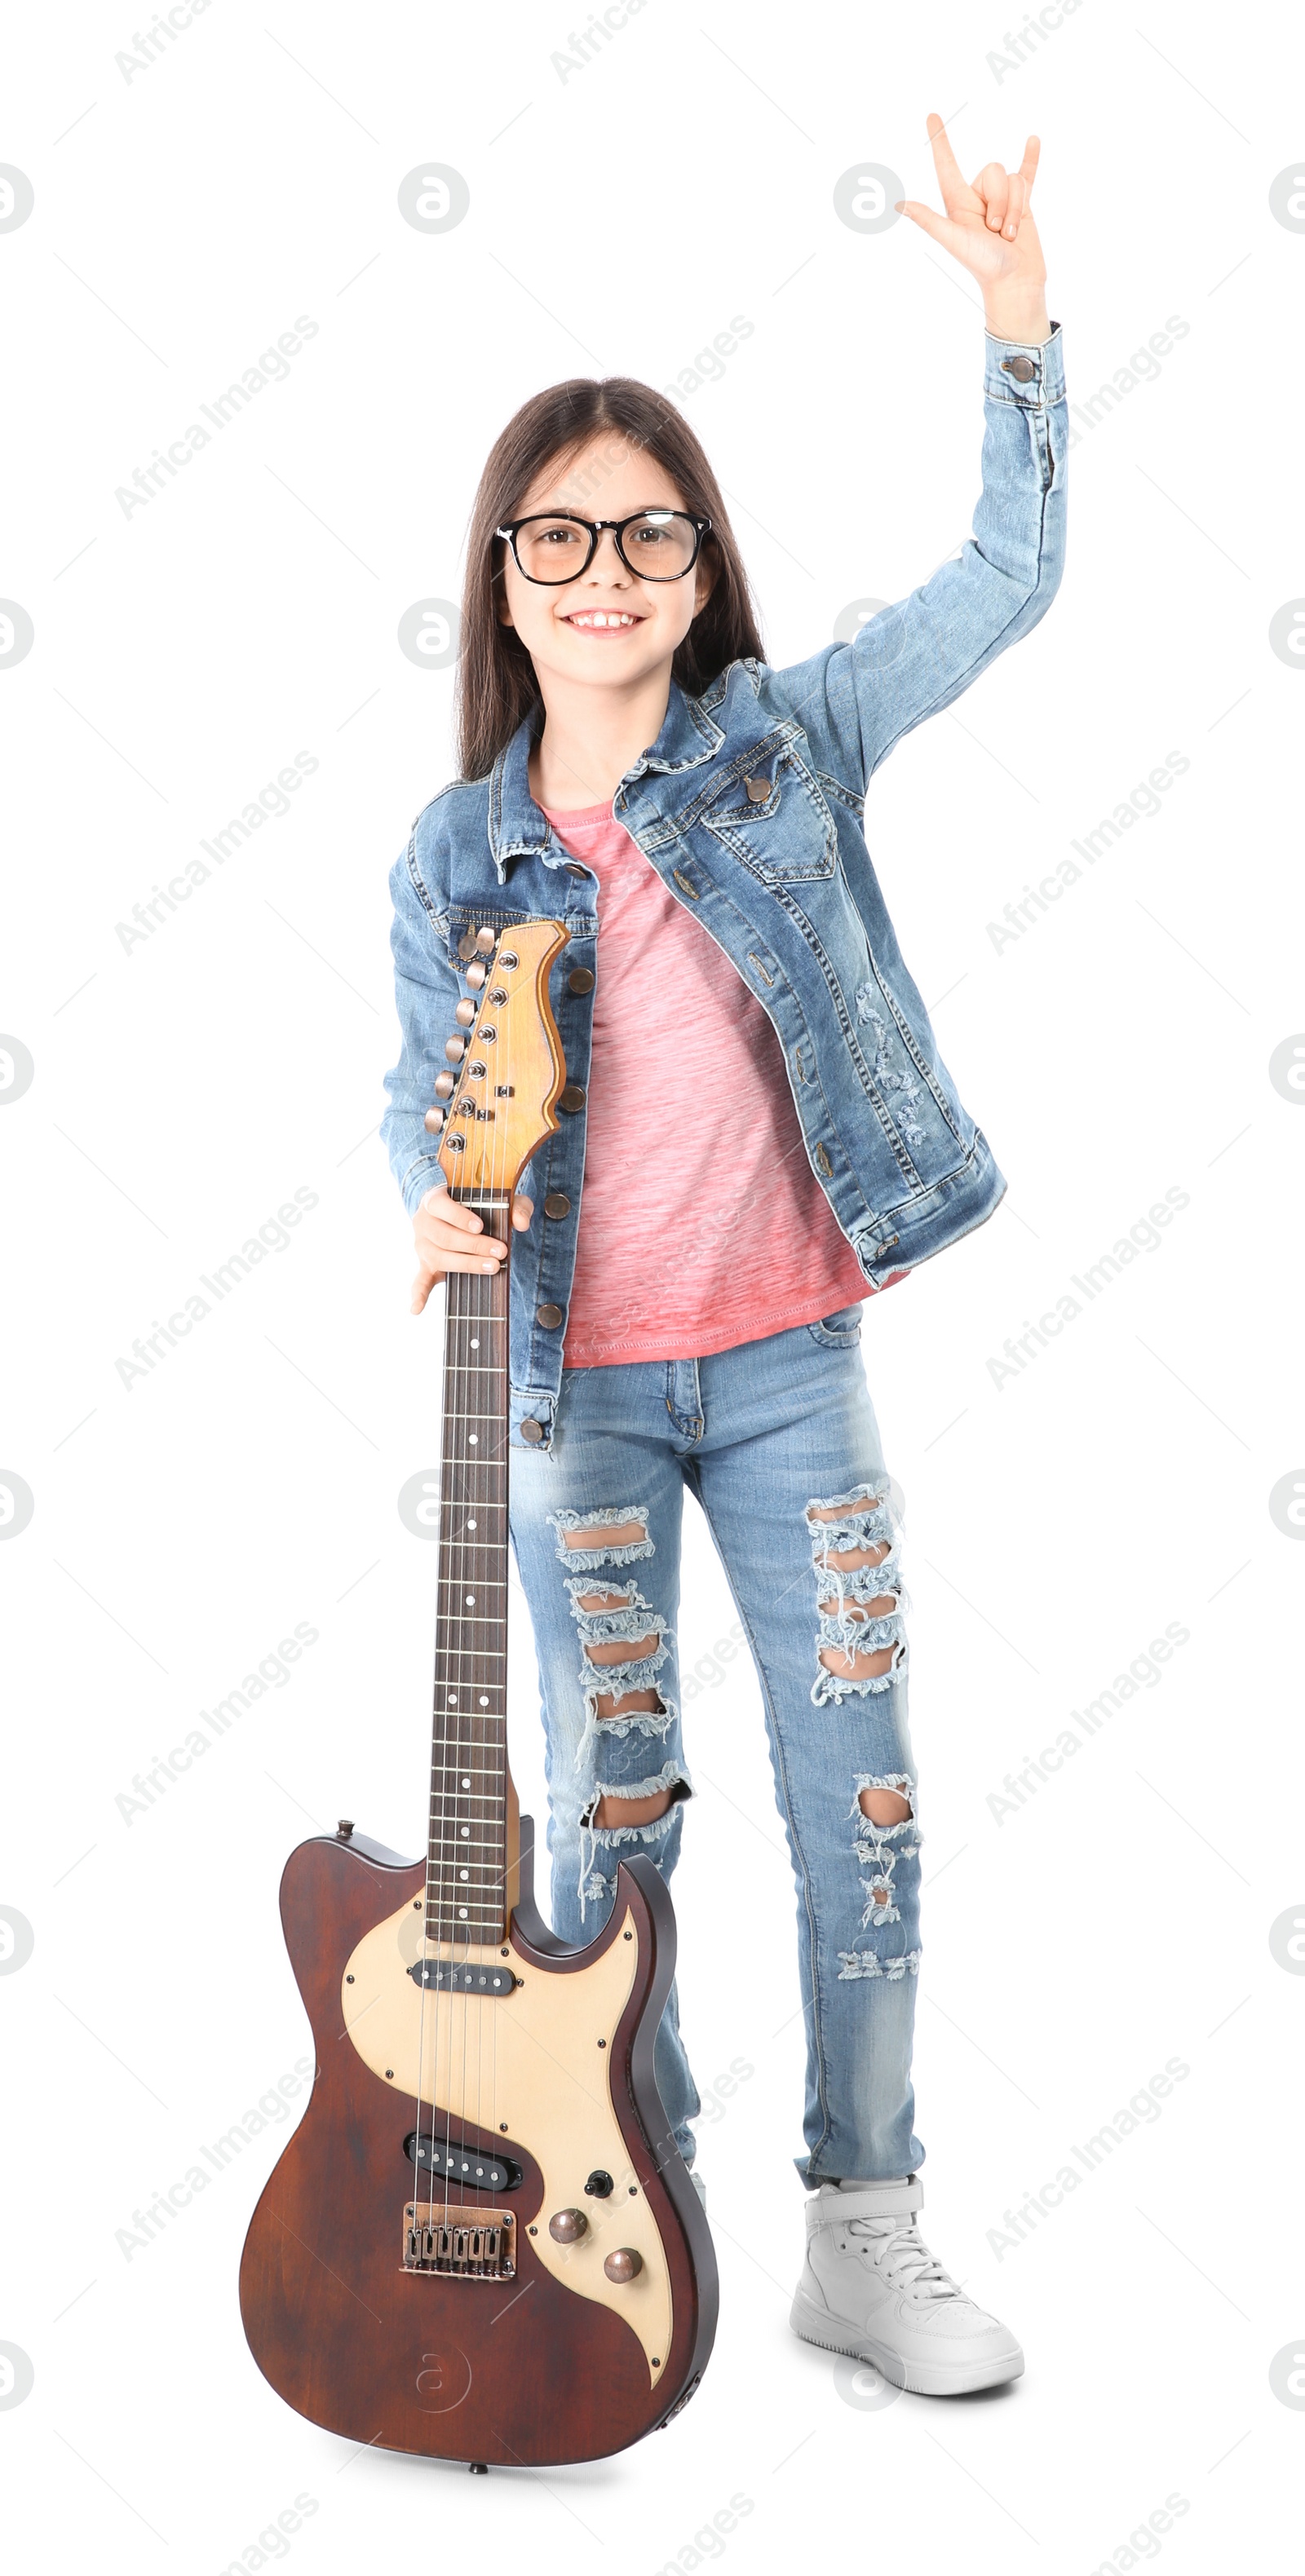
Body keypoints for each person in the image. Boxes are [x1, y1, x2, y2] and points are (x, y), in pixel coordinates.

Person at [382, 116, 1064, 2397]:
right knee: (610, 1831)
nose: (605, 568)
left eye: (646, 532)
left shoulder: (785, 745)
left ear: (697, 567)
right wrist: (424, 1192)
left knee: (859, 1796)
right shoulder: (456, 852)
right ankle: (624, 2205)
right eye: (560, 533)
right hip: (573, 1397)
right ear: (503, 575)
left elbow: (1001, 579)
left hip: (789, 1372)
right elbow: (421, 1084)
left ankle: (861, 2231)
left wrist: (1015, 329)